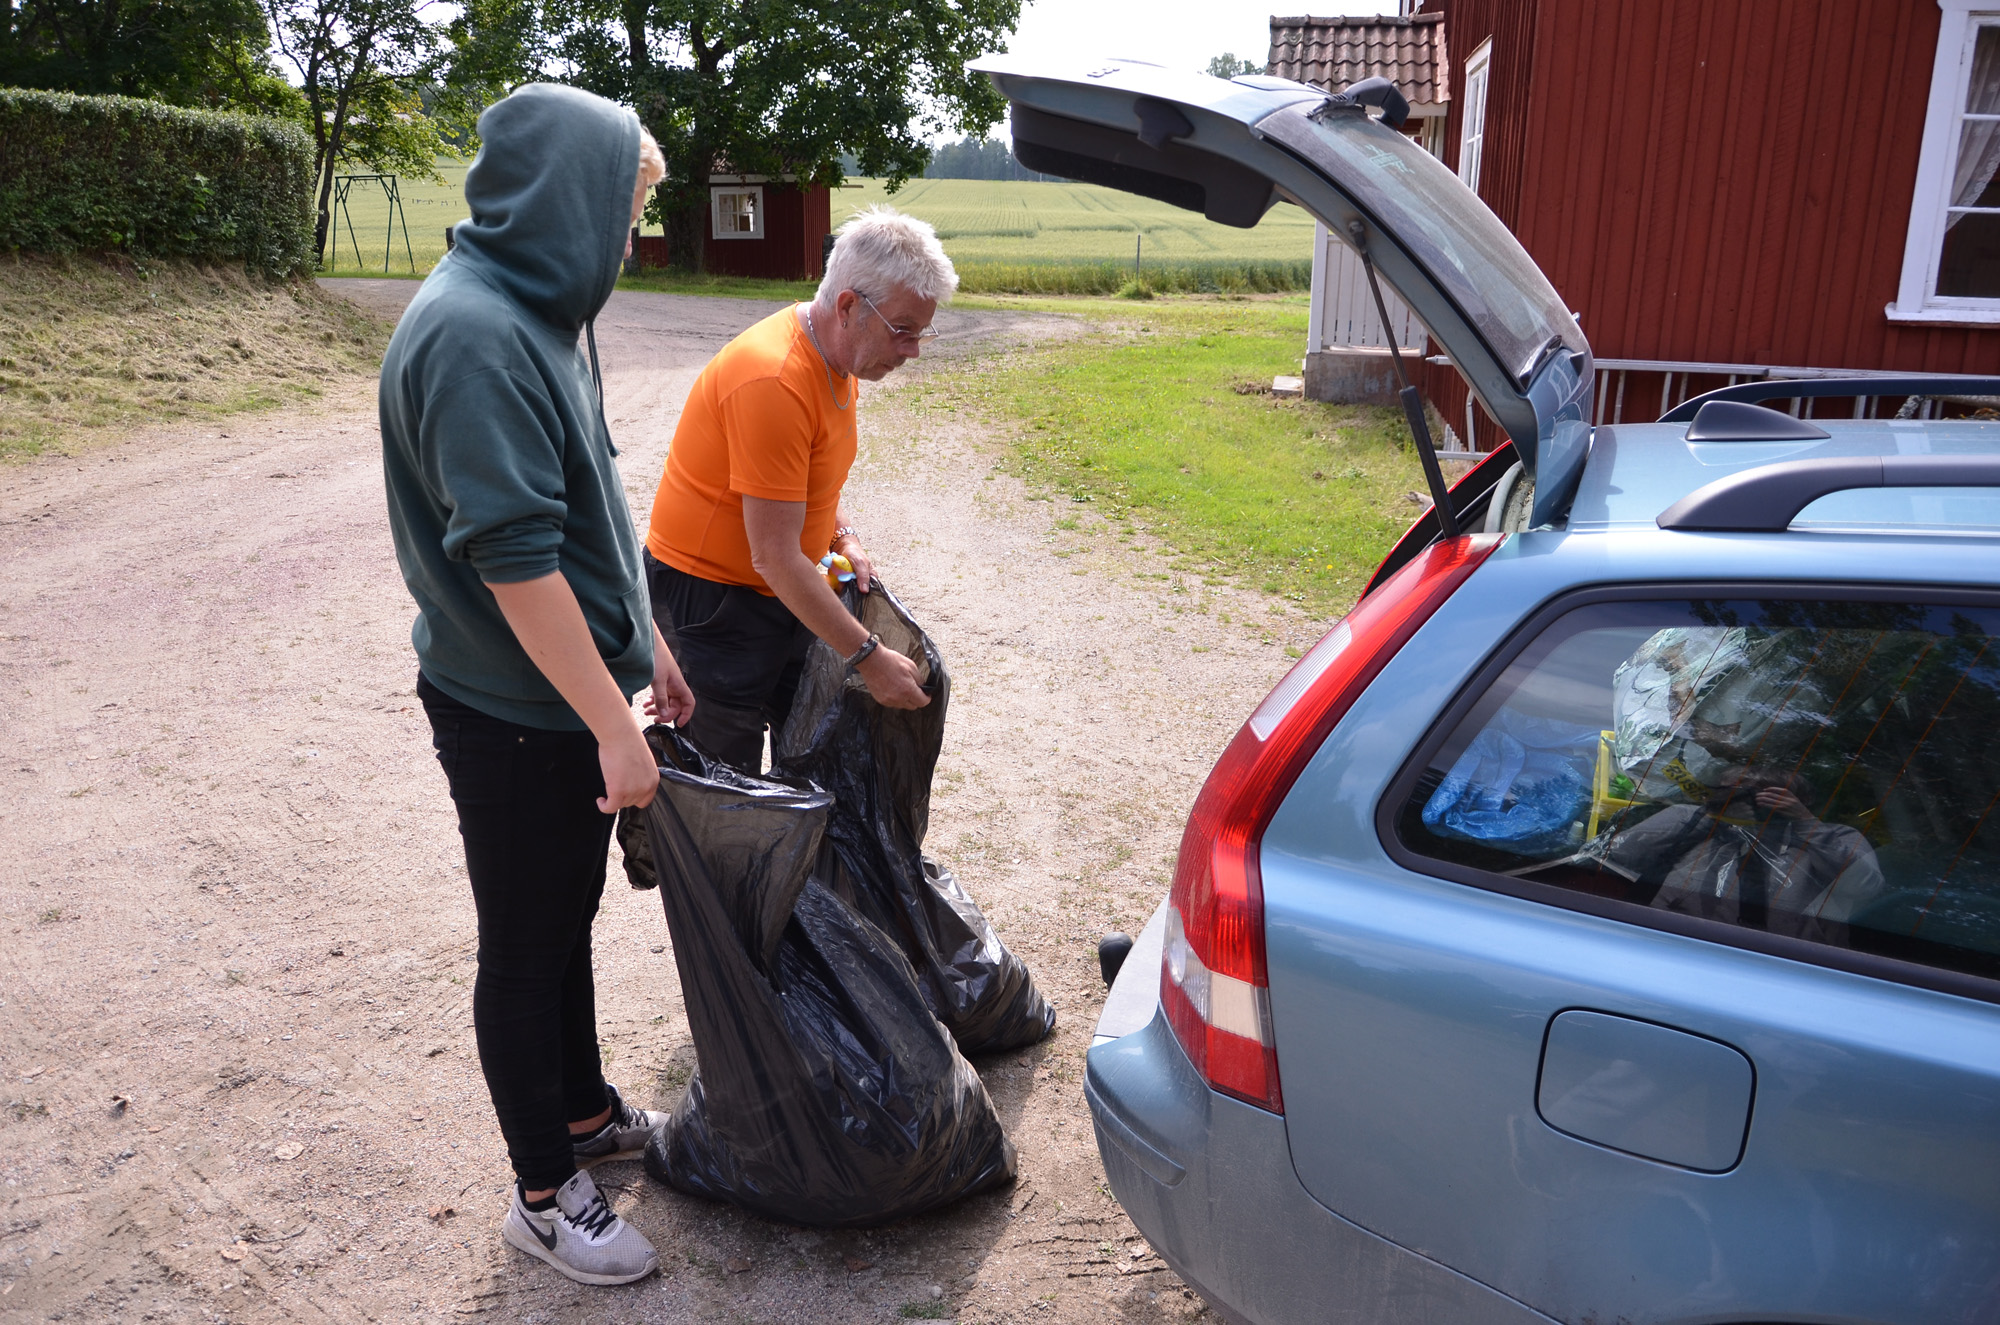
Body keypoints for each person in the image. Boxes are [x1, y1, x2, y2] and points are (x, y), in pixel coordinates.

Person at [378, 83, 693, 1287]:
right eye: (624, 214)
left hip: (567, 693)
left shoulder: (546, 308)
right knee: (523, 946)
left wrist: (644, 637)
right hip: (512, 713)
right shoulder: (473, 335)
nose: (630, 243)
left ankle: (582, 1114)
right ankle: (543, 1193)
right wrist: (614, 725)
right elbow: (512, 562)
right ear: (568, 201)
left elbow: (591, 502)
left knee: (564, 924)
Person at [642, 207, 950, 772]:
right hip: (711, 603)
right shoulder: (776, 378)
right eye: (902, 330)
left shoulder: (839, 361)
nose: (912, 349)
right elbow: (775, 556)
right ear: (850, 307)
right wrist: (868, 656)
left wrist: (843, 533)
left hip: (783, 592)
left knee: (810, 761)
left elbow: (807, 485)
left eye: (921, 331)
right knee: (720, 786)